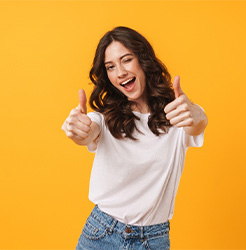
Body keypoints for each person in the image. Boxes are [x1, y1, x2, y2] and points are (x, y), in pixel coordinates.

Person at [62, 26, 208, 250]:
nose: (120, 72)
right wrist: (78, 130)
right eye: (110, 67)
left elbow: (195, 125)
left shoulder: (177, 113)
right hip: (101, 233)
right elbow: (89, 131)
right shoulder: (104, 118)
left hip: (153, 239)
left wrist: (198, 115)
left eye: (126, 60)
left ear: (143, 59)